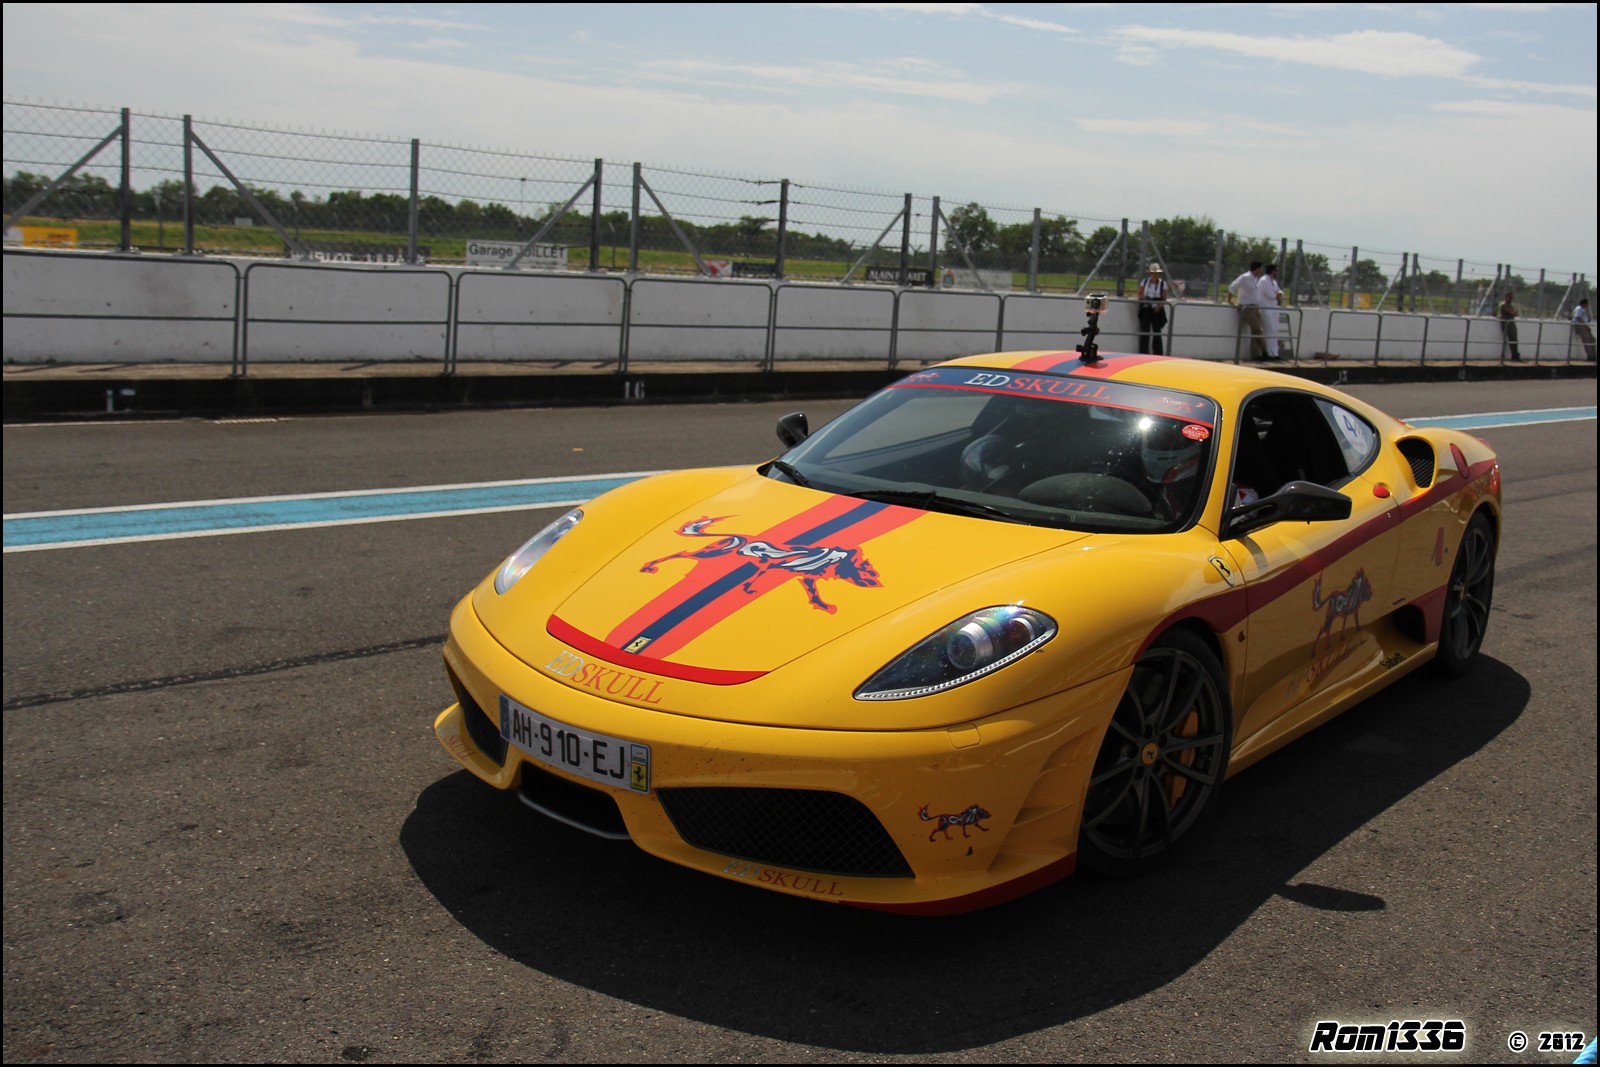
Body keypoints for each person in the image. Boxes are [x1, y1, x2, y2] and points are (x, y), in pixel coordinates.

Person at [1228, 261, 1268, 360]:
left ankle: (1256, 354)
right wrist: (1229, 300)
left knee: (1256, 330)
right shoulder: (1245, 277)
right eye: (1261, 268)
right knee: (1258, 329)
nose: (1262, 270)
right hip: (1247, 308)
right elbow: (1233, 286)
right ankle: (1265, 352)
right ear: (1257, 268)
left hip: (1255, 307)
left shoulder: (1255, 279)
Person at [1136, 262, 1170, 355]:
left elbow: (1164, 298)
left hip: (1156, 310)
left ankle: (1158, 353)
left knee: (1157, 332)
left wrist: (1159, 306)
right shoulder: (1145, 282)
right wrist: (1144, 299)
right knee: (1144, 331)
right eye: (1153, 273)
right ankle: (1143, 352)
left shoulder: (1162, 284)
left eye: (1157, 273)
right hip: (1146, 308)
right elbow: (1139, 294)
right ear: (1150, 273)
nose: (1155, 275)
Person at [1258, 263, 1284, 359]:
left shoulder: (1273, 281)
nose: (1277, 273)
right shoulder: (1264, 281)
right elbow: (1271, 295)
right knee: (1269, 330)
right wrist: (1277, 294)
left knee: (1274, 331)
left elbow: (1280, 292)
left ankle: (1275, 353)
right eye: (1276, 271)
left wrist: (1278, 294)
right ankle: (1269, 352)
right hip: (1266, 308)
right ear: (1272, 271)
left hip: (1273, 308)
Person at [1498, 290, 1522, 361]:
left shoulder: (1510, 305)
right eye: (1509, 297)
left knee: (1514, 340)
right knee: (1511, 339)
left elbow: (1515, 313)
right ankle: (1514, 356)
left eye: (1512, 298)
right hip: (1506, 324)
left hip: (1511, 323)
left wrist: (1513, 312)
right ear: (1505, 297)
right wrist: (1513, 312)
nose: (1511, 299)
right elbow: (1512, 312)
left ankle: (1515, 355)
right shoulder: (1503, 305)